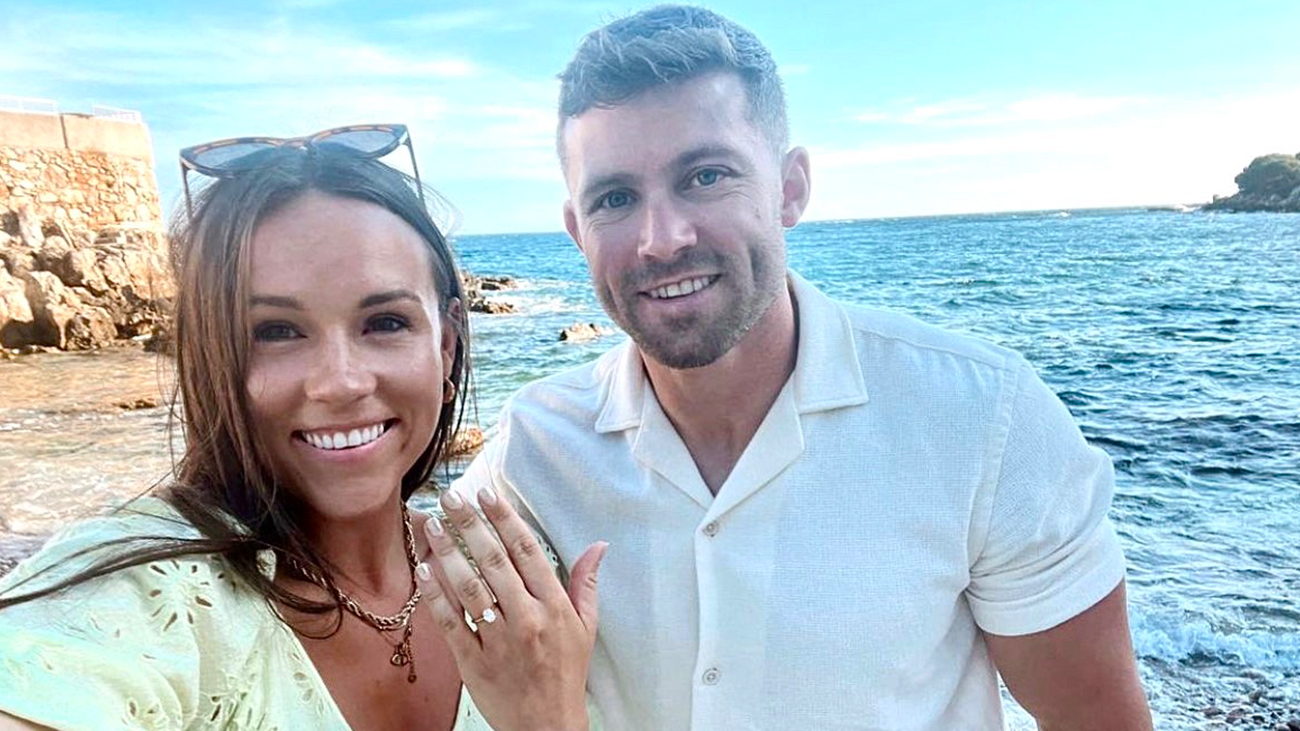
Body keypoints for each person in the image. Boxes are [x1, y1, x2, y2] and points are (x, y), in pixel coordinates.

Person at [422, 6, 1153, 730]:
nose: (661, 239)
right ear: (578, 230)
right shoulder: (532, 455)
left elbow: (1096, 717)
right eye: (616, 198)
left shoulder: (979, 419)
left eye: (706, 176)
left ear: (791, 187)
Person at [0, 126, 602, 731]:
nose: (340, 383)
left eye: (386, 321)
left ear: (446, 345)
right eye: (276, 331)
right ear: (212, 358)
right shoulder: (147, 595)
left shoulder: (516, 591)